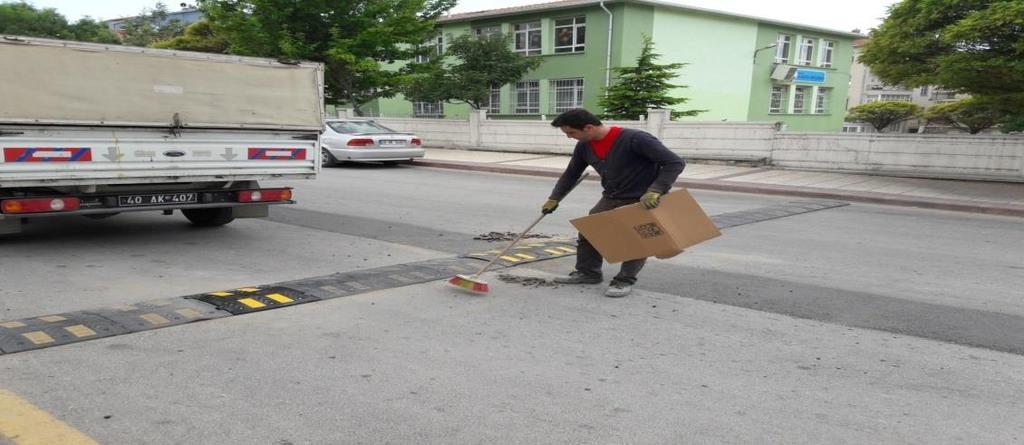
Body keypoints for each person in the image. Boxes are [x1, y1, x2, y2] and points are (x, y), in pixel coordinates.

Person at [542, 108, 685, 298]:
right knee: (590, 229)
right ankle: (588, 272)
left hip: (641, 199)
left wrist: (655, 190)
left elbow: (674, 163)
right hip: (611, 196)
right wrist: (554, 198)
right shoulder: (585, 145)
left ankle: (624, 280)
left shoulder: (636, 139)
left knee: (638, 240)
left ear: (588, 127)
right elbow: (571, 173)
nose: (570, 137)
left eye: (571, 133)